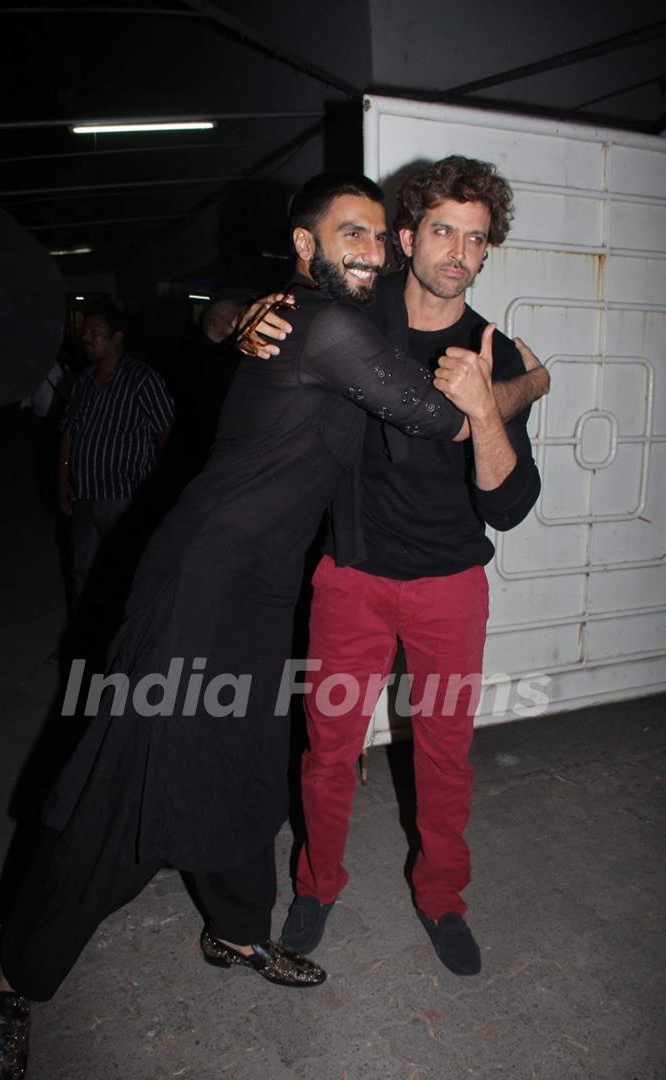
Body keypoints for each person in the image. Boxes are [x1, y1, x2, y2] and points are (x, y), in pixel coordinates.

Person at [0, 171, 504, 1079]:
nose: (371, 251)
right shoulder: (328, 323)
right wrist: (514, 384)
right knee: (130, 784)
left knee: (244, 765)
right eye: (351, 235)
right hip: (200, 585)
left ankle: (236, 933)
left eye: (380, 235)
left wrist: (231, 314)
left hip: (259, 592)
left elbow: (253, 326)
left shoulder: (342, 316)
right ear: (304, 248)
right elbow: (434, 416)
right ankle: (13, 977)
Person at [225, 157, 547, 978]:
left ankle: (443, 897)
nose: (458, 253)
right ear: (408, 237)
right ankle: (315, 884)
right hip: (355, 577)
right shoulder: (356, 317)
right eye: (443, 230)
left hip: (449, 587)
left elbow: (509, 506)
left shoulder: (493, 351)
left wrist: (492, 402)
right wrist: (236, 316)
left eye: (476, 240)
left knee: (443, 754)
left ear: (486, 254)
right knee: (329, 749)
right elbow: (244, 308)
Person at [58, 306, 174, 605]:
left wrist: (158, 490)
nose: (86, 337)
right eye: (85, 332)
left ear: (116, 337)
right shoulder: (83, 381)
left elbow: (166, 433)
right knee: (81, 572)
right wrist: (63, 478)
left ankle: (120, 646)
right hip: (84, 495)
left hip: (124, 497)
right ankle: (82, 642)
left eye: (94, 332)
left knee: (125, 573)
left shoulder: (142, 379)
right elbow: (69, 431)